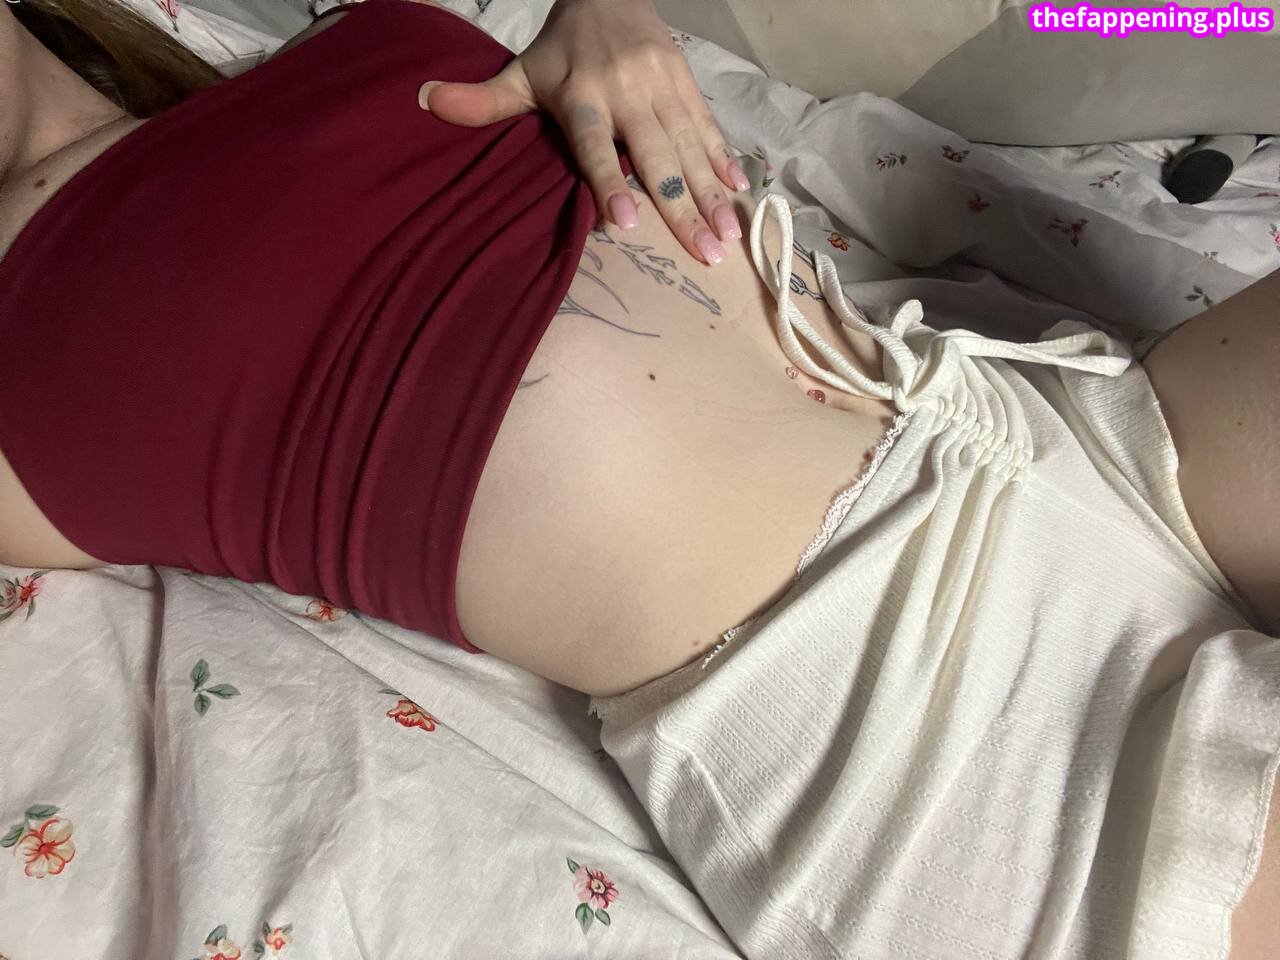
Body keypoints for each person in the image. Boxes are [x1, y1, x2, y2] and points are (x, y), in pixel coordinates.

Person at [0, 1, 1274, 956]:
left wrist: (602, 14)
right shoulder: (19, 412)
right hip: (924, 734)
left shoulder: (327, 40)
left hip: (1054, 434)